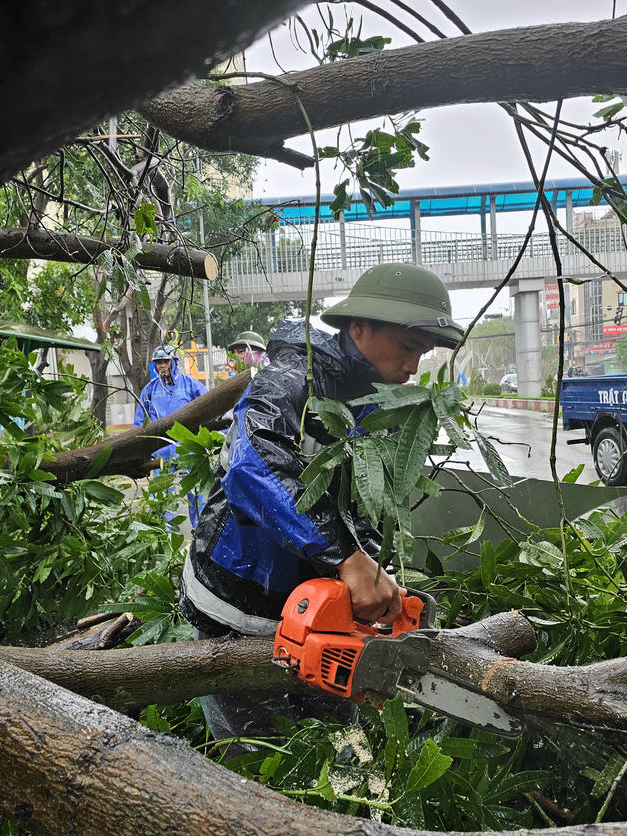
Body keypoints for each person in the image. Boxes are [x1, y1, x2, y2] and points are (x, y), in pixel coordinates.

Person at [179, 263, 463, 743]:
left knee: (333, 754)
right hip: (237, 608)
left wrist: (372, 566)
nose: (414, 366)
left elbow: (365, 503)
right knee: (256, 761)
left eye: (423, 353)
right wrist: (346, 559)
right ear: (359, 328)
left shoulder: (379, 406)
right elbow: (252, 469)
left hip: (322, 617)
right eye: (408, 347)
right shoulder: (292, 379)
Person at [134, 345, 208, 525]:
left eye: (165, 361)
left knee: (197, 496)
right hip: (161, 455)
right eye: (158, 362)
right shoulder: (149, 390)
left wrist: (213, 440)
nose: (162, 366)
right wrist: (139, 451)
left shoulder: (190, 384)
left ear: (173, 362)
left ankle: (201, 537)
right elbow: (139, 422)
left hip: (189, 452)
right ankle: (163, 539)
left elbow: (210, 408)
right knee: (160, 500)